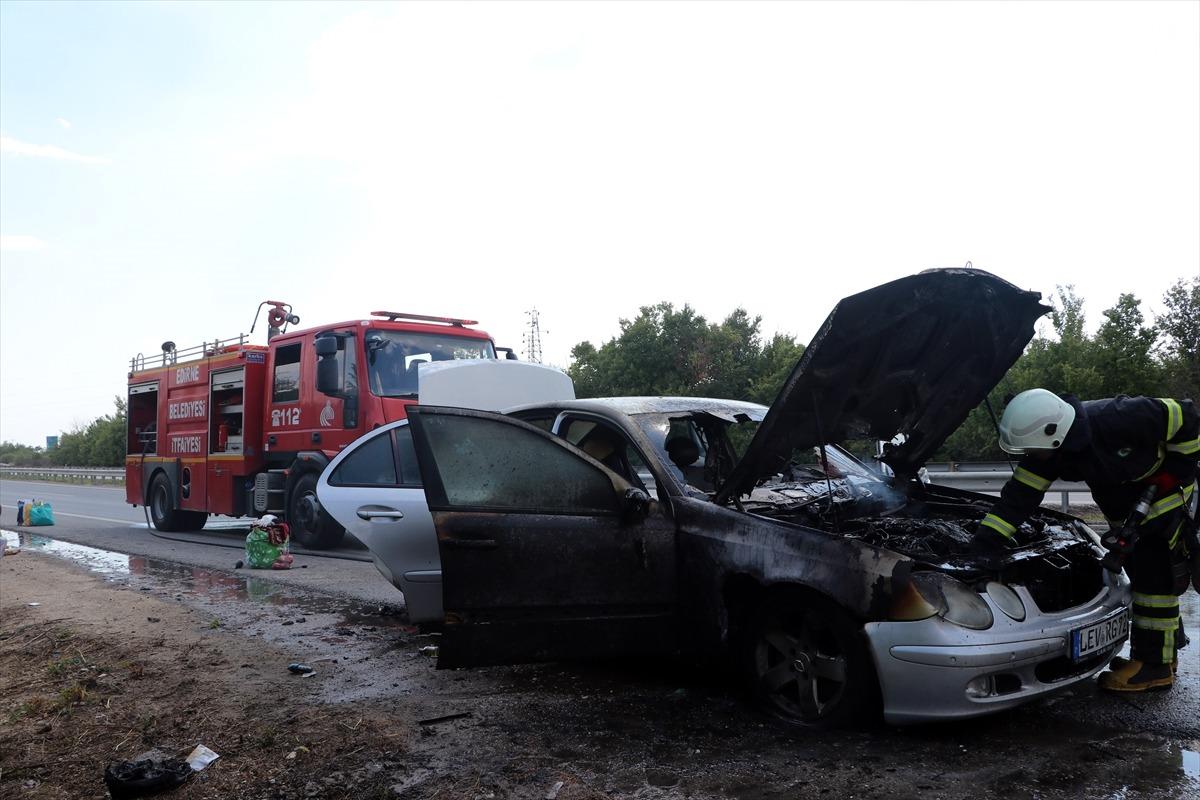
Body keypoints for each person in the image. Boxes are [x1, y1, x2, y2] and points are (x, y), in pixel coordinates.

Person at [975, 389, 1198, 692]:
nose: (1034, 458)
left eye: (1036, 451)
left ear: (1055, 434)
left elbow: (1187, 417)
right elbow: (1019, 498)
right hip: (1128, 517)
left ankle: (1154, 668)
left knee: (1154, 586)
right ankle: (1159, 657)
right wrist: (986, 541)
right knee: (1149, 585)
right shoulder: (1049, 449)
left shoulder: (1118, 417)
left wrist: (1176, 472)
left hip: (1165, 503)